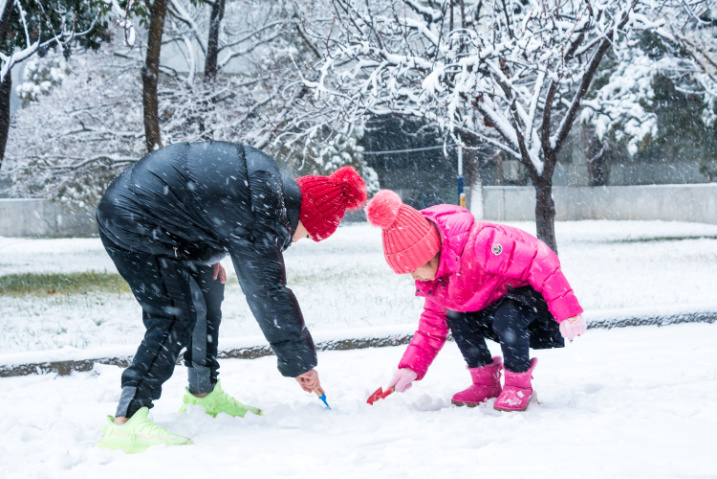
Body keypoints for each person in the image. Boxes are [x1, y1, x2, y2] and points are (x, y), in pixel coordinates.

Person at [95, 141, 366, 452]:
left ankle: (203, 394)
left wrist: (208, 252)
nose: (299, 240)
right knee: (173, 314)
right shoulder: (263, 214)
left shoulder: (265, 188)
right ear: (306, 217)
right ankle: (126, 420)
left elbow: (207, 201)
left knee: (208, 289)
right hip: (133, 222)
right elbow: (267, 292)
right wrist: (300, 362)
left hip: (157, 217)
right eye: (308, 234)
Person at [365, 190, 586, 412]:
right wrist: (410, 368)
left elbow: (539, 261)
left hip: (533, 298)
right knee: (456, 315)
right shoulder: (437, 282)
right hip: (496, 303)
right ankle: (485, 383)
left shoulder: (482, 243)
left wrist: (568, 312)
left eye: (414, 269)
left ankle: (519, 385)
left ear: (430, 254)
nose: (414, 277)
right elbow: (431, 327)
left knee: (506, 316)